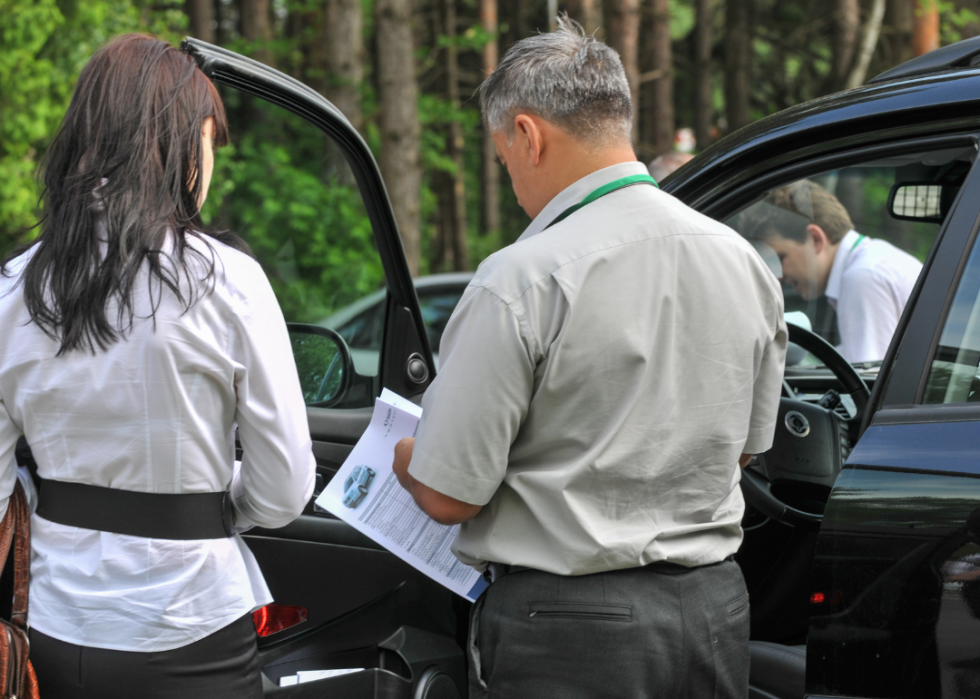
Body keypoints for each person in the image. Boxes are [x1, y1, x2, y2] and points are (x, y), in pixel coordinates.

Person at [391, 18, 786, 699]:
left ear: (528, 135)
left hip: (570, 631)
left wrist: (405, 455)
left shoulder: (521, 279)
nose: (509, 174)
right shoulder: (743, 261)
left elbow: (448, 494)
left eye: (502, 156)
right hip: (713, 611)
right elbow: (745, 451)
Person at [0, 35, 315, 698]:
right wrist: (218, 502)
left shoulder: (13, 290)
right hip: (192, 625)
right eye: (208, 140)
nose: (212, 165)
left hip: (50, 630)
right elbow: (284, 489)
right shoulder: (230, 283)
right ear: (172, 145)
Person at [745, 180, 923, 363]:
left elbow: (868, 380)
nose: (778, 276)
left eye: (780, 258)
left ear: (815, 239)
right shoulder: (873, 261)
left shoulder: (863, 278)